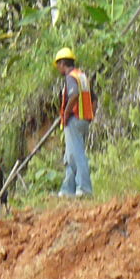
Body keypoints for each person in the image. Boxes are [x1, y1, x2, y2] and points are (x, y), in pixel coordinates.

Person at [54, 47, 95, 197]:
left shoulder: (71, 77)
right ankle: (68, 189)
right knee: (70, 155)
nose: (58, 68)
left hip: (74, 119)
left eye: (58, 65)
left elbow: (73, 96)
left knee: (77, 154)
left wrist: (65, 115)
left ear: (62, 63)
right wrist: (90, 116)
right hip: (84, 119)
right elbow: (94, 99)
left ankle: (84, 188)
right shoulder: (82, 76)